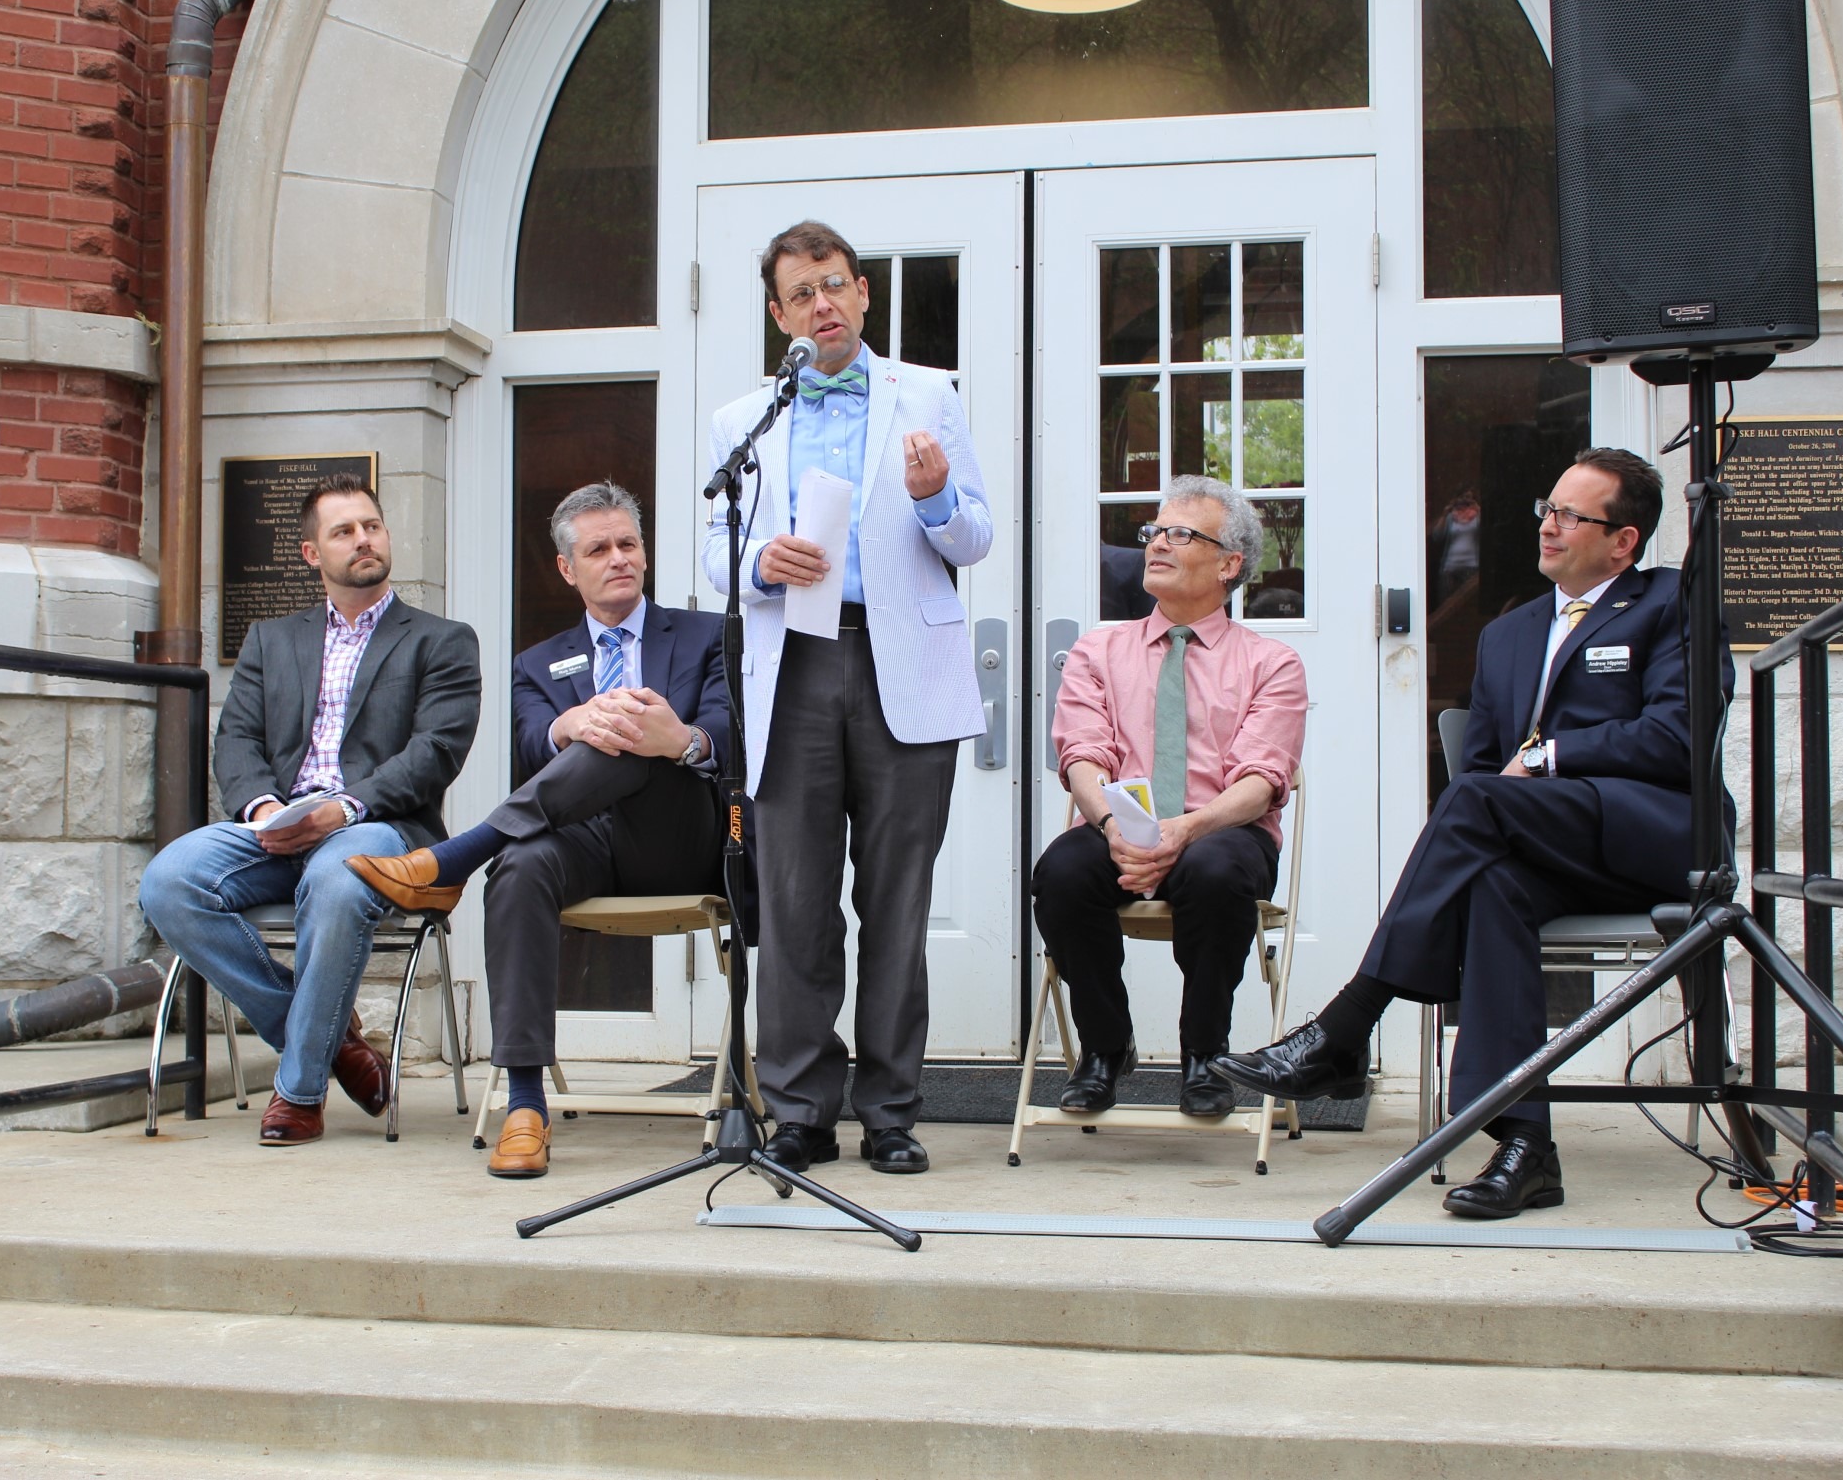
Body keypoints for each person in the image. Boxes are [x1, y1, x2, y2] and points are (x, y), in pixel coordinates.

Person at [1214, 446, 1731, 1217]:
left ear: (1622, 540)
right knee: (1492, 885)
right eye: (1545, 510)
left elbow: (1679, 738)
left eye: (1569, 515)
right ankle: (1524, 1148)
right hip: (1549, 846)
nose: (1547, 526)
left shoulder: (1669, 603)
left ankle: (1345, 1025)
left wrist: (1552, 754)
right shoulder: (1509, 632)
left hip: (1653, 833)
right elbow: (1485, 769)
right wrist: (1516, 777)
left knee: (1475, 803)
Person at [700, 219, 993, 1175]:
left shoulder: (929, 395)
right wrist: (759, 562)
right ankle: (799, 1110)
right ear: (779, 315)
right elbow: (714, 554)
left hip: (899, 663)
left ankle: (892, 1111)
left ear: (863, 293)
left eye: (834, 285)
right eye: (800, 294)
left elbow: (973, 542)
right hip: (793, 666)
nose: (821, 304)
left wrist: (937, 496)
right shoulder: (748, 416)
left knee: (897, 901)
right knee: (791, 904)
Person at [346, 483, 731, 1178]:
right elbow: (530, 747)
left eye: (628, 543)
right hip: (583, 840)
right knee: (521, 865)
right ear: (566, 568)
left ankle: (453, 859)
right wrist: (566, 724)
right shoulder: (536, 660)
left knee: (629, 732)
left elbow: (731, 736)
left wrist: (677, 737)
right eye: (599, 548)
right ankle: (524, 1106)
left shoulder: (706, 635)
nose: (619, 558)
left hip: (678, 838)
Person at [138, 478, 481, 1146]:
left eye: (372, 526)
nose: (364, 539)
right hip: (277, 827)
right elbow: (235, 739)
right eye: (344, 531)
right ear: (309, 551)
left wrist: (341, 808)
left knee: (335, 878)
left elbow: (435, 752)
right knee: (168, 882)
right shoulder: (271, 640)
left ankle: (299, 1089)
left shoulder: (440, 640)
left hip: (380, 824)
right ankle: (334, 1041)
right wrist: (266, 808)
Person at [1032, 478, 1306, 1119]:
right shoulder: (1099, 649)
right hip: (1118, 828)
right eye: (1155, 530)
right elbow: (1082, 756)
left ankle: (1204, 1055)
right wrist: (1110, 826)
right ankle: (1105, 1045)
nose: (1158, 542)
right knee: (1062, 872)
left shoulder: (1272, 662)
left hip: (1222, 834)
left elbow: (1263, 780)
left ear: (1230, 564)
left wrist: (1185, 831)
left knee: (1214, 873)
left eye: (1182, 533)